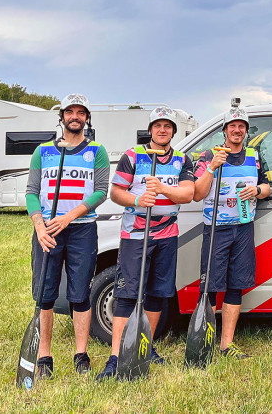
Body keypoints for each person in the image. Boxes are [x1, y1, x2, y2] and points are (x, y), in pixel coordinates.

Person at [97, 107, 195, 381]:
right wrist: (139, 200)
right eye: (157, 126)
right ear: (150, 129)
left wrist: (163, 189)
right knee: (127, 295)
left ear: (173, 131)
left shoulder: (181, 160)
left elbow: (187, 194)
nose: (162, 130)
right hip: (136, 236)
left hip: (166, 236)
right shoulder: (133, 156)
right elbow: (116, 192)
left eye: (167, 126)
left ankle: (145, 347)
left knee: (157, 293)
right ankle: (116, 357)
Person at [25, 94, 110, 378]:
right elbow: (31, 192)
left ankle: (81, 354)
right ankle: (44, 357)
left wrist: (69, 216)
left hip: (81, 229)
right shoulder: (44, 151)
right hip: (48, 231)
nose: (75, 116)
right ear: (62, 117)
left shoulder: (97, 150)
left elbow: (101, 191)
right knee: (45, 295)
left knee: (80, 294)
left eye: (80, 112)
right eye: (70, 112)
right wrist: (39, 225)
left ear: (87, 117)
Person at [192, 105, 271, 359]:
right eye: (232, 126)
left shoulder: (254, 155)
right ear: (224, 130)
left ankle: (226, 345)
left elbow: (267, 185)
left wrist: (257, 191)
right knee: (210, 288)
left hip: (243, 228)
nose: (237, 130)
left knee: (236, 286)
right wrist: (213, 166)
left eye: (241, 127)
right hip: (216, 229)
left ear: (246, 131)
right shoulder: (208, 155)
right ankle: (204, 343)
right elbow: (197, 193)